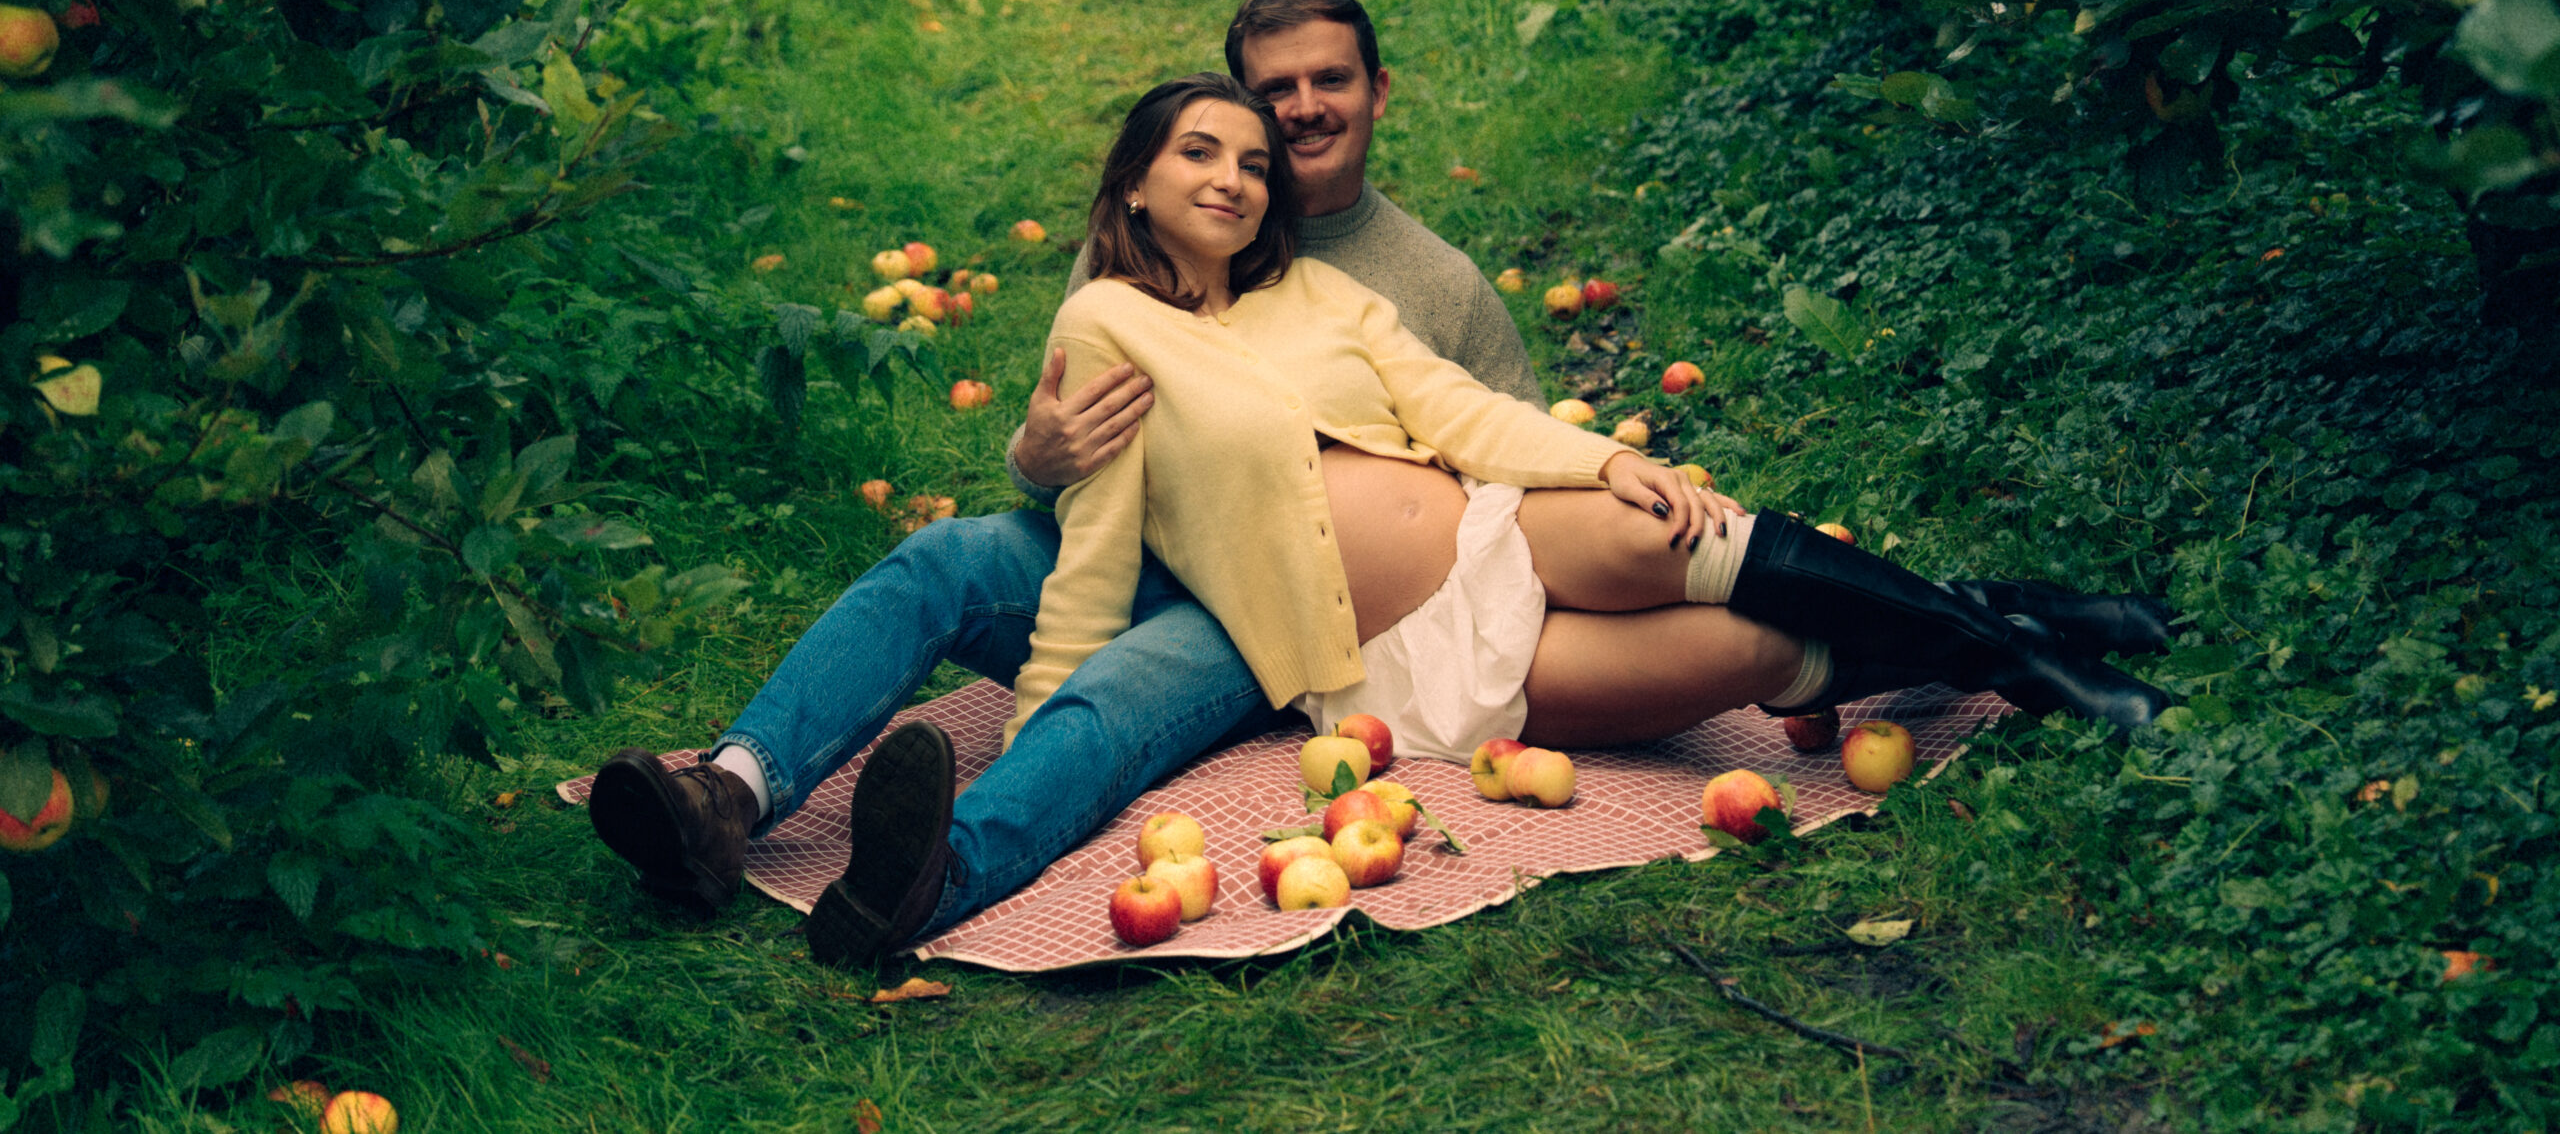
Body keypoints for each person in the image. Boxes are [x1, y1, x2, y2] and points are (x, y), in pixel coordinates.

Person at [795, 74, 2170, 966]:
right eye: (1198, 153)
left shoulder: (1325, 301)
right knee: (1751, 662)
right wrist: (1046, 697)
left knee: (1655, 533)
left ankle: (2018, 659)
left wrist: (1592, 454)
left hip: (1482, 535)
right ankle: (2006, 616)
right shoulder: (1110, 323)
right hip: (1400, 667)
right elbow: (1088, 541)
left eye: (1255, 161)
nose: (1236, 177)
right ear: (1133, 183)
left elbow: (1454, 408)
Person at [586, 0, 1596, 927]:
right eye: (1267, 95)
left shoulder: (1431, 283)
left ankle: (931, 876)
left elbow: (1506, 486)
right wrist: (1036, 452)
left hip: (1276, 598)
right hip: (1140, 550)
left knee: (1114, 690)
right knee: (945, 557)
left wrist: (1597, 485)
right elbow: (1078, 476)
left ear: (1376, 91)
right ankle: (725, 797)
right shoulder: (1152, 250)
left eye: (1327, 79)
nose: (1298, 113)